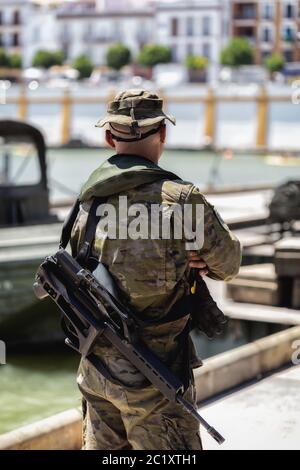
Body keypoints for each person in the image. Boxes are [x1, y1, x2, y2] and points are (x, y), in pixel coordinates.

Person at [71, 89, 241, 450]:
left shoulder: (88, 200)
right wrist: (201, 259)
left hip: (97, 372)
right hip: (155, 378)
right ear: (163, 133)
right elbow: (229, 265)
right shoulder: (181, 201)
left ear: (108, 137)